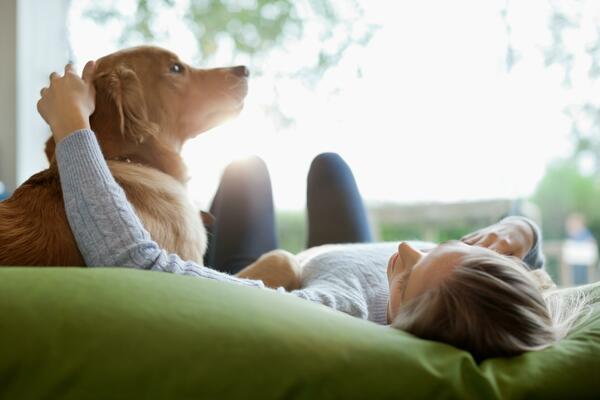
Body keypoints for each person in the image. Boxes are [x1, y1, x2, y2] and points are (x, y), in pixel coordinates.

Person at [37, 61, 587, 362]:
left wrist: (73, 128)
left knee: (247, 171)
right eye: (442, 248)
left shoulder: (336, 312)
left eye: (409, 272)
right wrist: (518, 230)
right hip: (339, 252)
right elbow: (525, 262)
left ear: (397, 323)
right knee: (329, 165)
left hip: (285, 273)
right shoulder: (469, 285)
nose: (404, 248)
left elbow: (136, 265)